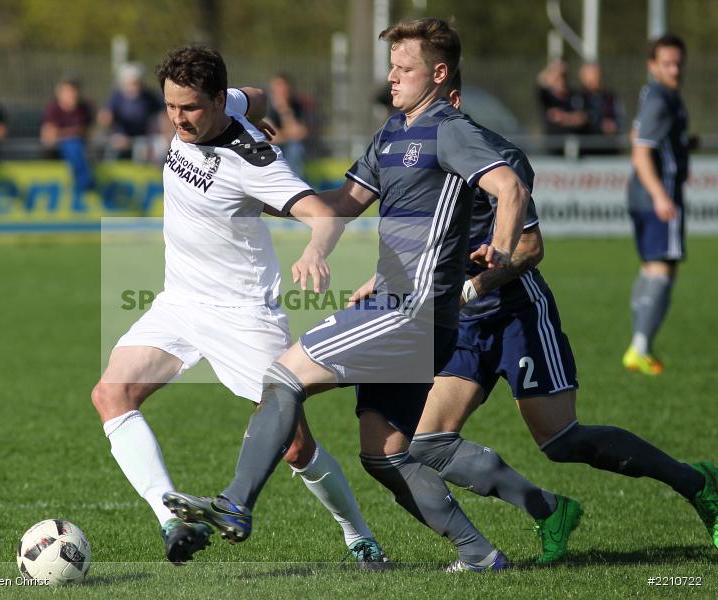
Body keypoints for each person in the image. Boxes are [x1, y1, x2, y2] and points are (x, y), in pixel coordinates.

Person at [164, 18, 531, 572]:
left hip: (412, 304)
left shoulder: (448, 128)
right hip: (410, 310)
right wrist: (251, 193)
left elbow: (510, 185)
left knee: (284, 377)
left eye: (404, 68)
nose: (392, 78)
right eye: (391, 67)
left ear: (438, 73)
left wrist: (501, 247)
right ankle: (478, 553)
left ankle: (235, 504)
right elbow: (339, 204)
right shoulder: (391, 133)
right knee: (383, 454)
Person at [372, 69, 716, 560]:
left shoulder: (501, 160)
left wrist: (473, 285)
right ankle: (548, 510)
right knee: (427, 441)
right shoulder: (415, 154)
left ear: (453, 98)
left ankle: (696, 482)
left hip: (516, 315)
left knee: (560, 440)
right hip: (461, 325)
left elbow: (530, 248)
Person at [91, 46, 388, 567]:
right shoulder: (221, 102)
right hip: (179, 300)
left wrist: (315, 251)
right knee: (111, 394)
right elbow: (255, 94)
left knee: (296, 447)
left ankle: (357, 534)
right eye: (170, 106)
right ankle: (172, 522)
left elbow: (325, 216)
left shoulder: (256, 163)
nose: (178, 120)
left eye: (189, 109)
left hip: (243, 315)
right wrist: (256, 104)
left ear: (212, 102)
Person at [623, 34, 690, 375]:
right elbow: (640, 150)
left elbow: (638, 136)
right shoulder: (660, 99)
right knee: (663, 269)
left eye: (678, 62)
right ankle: (640, 346)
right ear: (652, 65)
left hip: (642, 194)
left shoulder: (652, 94)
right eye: (667, 63)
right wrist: (661, 195)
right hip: (657, 195)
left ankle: (640, 346)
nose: (674, 69)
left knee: (651, 267)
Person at [99, 63, 165, 161]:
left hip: (143, 137)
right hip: (120, 137)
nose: (135, 86)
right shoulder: (116, 96)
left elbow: (165, 111)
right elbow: (104, 117)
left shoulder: (149, 96)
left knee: (156, 145)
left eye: (137, 83)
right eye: (131, 83)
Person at [42, 76, 95, 191]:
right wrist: (73, 132)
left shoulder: (84, 108)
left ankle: (83, 180)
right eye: (68, 91)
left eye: (74, 91)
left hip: (82, 146)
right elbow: (49, 135)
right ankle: (84, 180)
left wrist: (66, 132)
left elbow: (90, 131)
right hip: (57, 149)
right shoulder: (52, 108)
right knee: (72, 144)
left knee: (75, 144)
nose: (72, 94)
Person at [536, 59, 587, 149]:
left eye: (563, 77)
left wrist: (564, 118)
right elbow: (540, 82)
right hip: (553, 147)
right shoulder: (547, 97)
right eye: (556, 78)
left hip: (578, 148)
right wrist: (553, 69)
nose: (560, 80)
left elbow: (582, 118)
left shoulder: (575, 95)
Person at [266, 73, 308, 177]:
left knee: (295, 147)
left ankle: (295, 182)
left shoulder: (295, 107)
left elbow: (301, 133)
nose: (282, 91)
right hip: (269, 147)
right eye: (278, 86)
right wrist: (289, 134)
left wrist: (284, 109)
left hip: (288, 147)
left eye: (284, 87)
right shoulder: (266, 106)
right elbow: (271, 136)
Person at [578, 63, 622, 137]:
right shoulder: (577, 97)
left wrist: (613, 126)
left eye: (598, 75)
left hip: (607, 143)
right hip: (586, 144)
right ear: (583, 77)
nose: (598, 78)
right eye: (594, 75)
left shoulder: (610, 97)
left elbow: (620, 120)